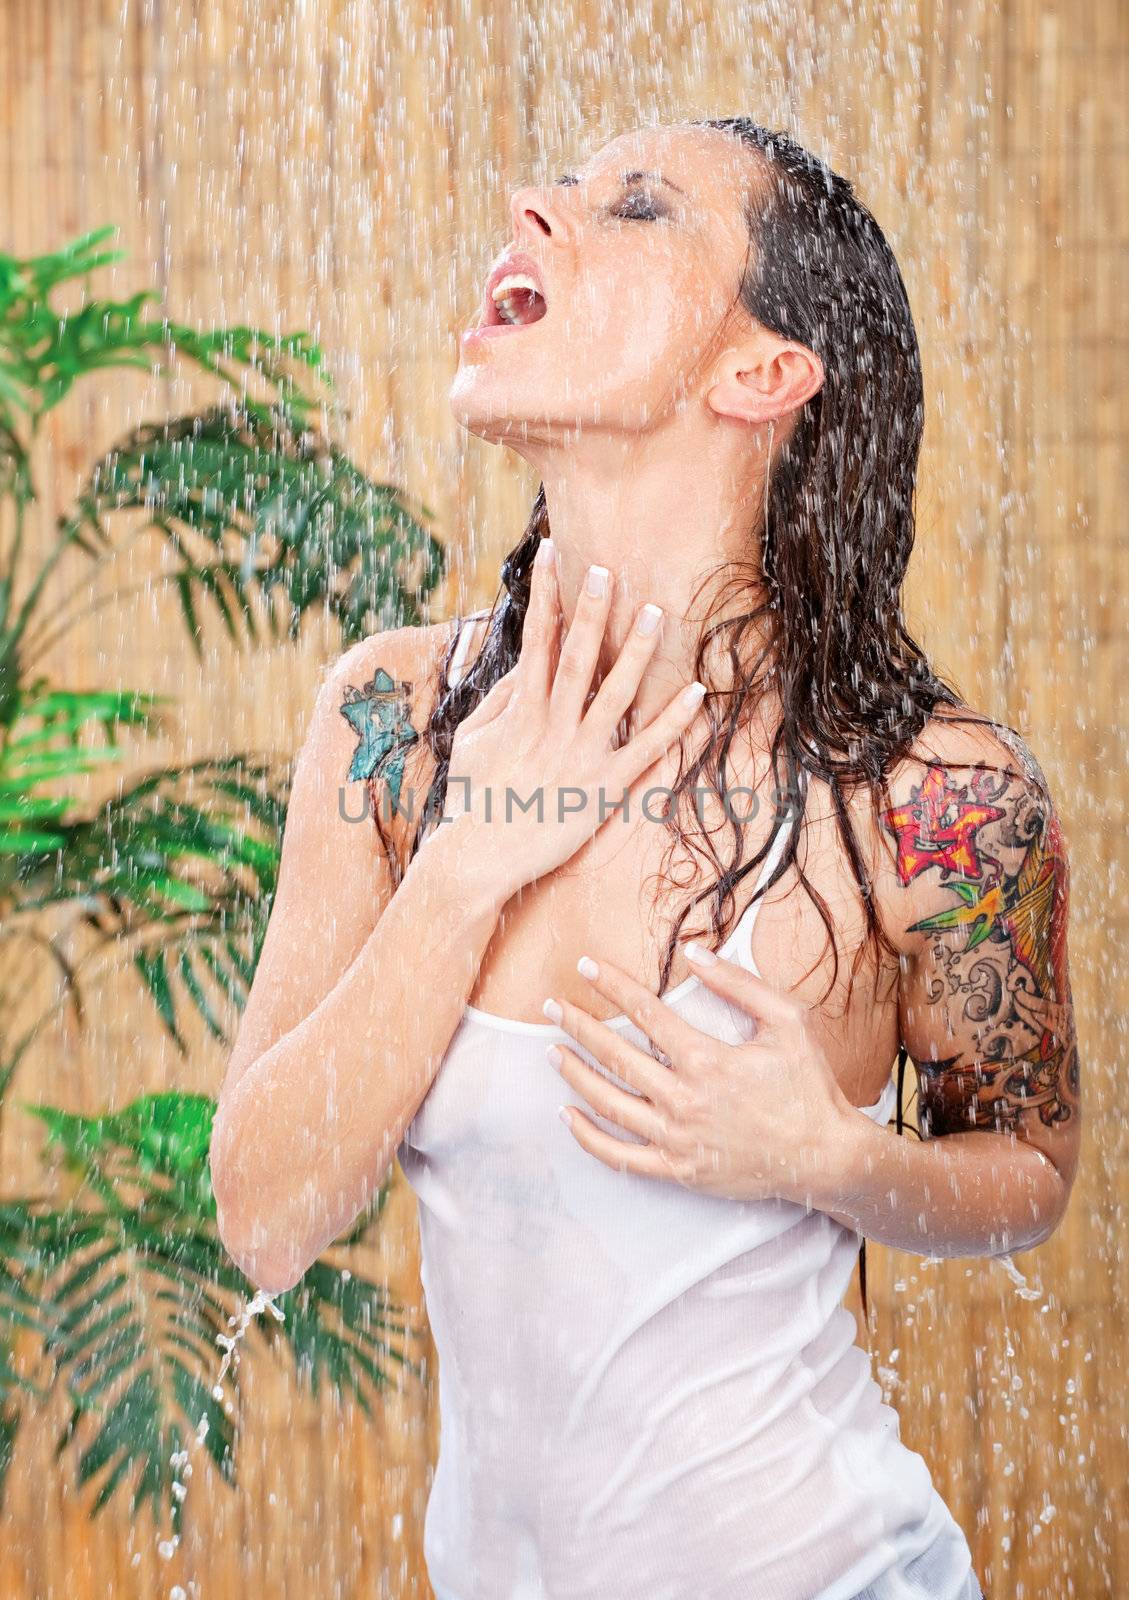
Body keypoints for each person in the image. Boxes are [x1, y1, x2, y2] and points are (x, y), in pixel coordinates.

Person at [209, 118, 1080, 1599]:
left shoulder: (925, 799)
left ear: (758, 372)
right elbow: (266, 1220)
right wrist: (468, 865)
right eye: (563, 186)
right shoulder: (394, 725)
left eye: (637, 208)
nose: (530, 207)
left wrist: (831, 1161)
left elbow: (1031, 1169)